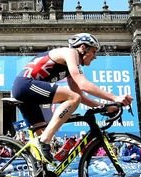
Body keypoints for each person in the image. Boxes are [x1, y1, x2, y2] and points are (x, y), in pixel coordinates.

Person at [11, 33, 132, 162]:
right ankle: (43, 140)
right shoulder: (70, 53)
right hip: (24, 85)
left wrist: (103, 108)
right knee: (70, 101)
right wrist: (115, 98)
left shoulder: (69, 67)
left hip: (29, 96)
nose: (95, 57)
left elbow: (81, 95)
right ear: (83, 47)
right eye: (94, 51)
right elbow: (82, 84)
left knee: (43, 153)